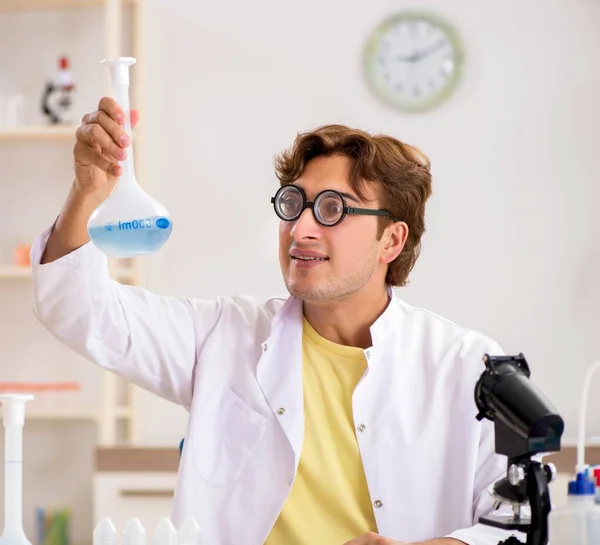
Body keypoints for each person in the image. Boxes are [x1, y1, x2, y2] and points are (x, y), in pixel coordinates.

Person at [31, 98, 516, 545]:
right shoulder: (224, 335)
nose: (301, 229)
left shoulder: (471, 366)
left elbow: (515, 521)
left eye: (333, 209)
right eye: (293, 203)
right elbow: (78, 308)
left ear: (391, 241)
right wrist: (88, 191)